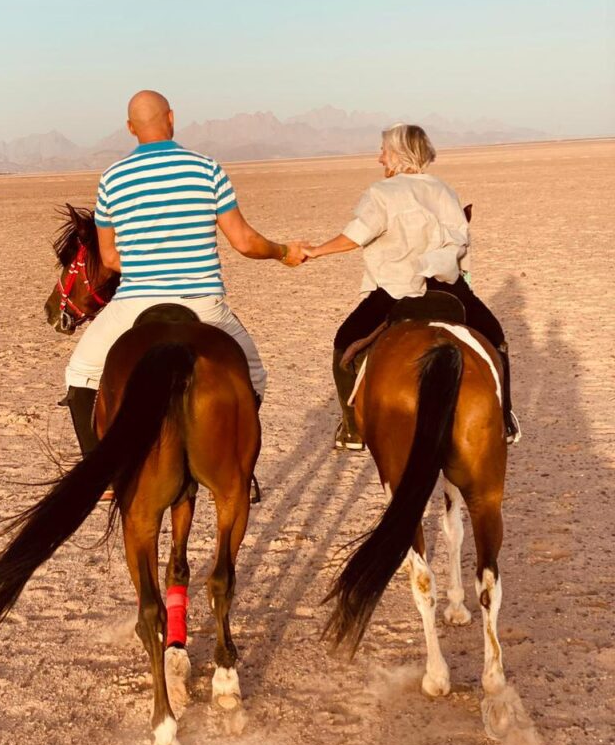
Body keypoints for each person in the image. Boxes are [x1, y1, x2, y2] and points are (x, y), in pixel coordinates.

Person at [64, 90, 308, 479]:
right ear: (172, 118)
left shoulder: (112, 178)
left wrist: (147, 265)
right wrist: (282, 252)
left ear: (130, 128)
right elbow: (244, 242)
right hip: (202, 303)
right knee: (254, 373)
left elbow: (109, 259)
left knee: (80, 373)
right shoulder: (207, 169)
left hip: (134, 304)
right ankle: (234, 458)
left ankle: (101, 474)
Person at [305, 122, 521, 448]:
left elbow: (356, 235)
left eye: (383, 151)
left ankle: (352, 429)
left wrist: (315, 250)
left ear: (397, 154)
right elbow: (461, 241)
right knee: (496, 338)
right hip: (448, 288)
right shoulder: (444, 190)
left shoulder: (380, 193)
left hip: (396, 290)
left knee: (344, 343)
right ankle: (504, 419)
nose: (380, 159)